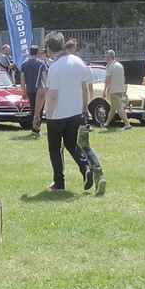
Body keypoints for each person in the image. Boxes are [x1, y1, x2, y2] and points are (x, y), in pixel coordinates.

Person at [40, 32, 92, 192]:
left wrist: (48, 114)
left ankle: (59, 183)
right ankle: (85, 167)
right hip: (75, 111)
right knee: (71, 143)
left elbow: (53, 95)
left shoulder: (54, 68)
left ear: (49, 48)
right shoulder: (78, 62)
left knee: (54, 148)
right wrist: (84, 108)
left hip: (58, 114)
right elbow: (85, 89)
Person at [101, 49, 132, 130]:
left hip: (114, 89)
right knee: (113, 108)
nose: (105, 58)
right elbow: (123, 78)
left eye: (106, 57)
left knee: (118, 107)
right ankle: (106, 124)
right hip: (120, 89)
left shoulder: (109, 66)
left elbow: (107, 79)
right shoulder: (119, 65)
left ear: (109, 57)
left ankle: (127, 125)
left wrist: (105, 90)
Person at [20, 45, 47, 136]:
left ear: (29, 52)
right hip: (39, 88)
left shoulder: (24, 64)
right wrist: (46, 88)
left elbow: (22, 79)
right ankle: (37, 129)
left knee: (33, 108)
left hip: (30, 89)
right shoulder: (41, 63)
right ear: (38, 52)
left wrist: (23, 91)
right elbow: (44, 77)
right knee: (39, 109)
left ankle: (33, 128)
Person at [77, 121, 106, 197]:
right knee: (86, 148)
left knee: (61, 149)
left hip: (69, 119)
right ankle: (99, 176)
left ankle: (86, 170)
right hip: (83, 120)